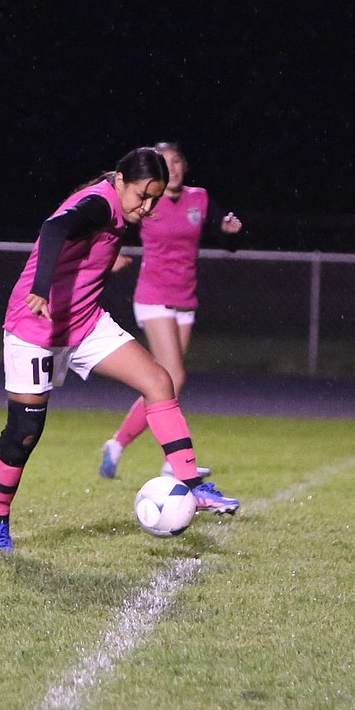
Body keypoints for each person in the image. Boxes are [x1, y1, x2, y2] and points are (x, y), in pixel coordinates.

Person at [0, 147, 239, 554]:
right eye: (142, 195)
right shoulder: (100, 204)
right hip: (37, 326)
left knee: (160, 381)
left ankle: (194, 486)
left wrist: (106, 256)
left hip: (85, 323)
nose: (148, 205)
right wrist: (39, 287)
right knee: (25, 433)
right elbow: (54, 229)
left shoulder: (120, 206)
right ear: (120, 181)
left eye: (154, 197)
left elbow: (84, 244)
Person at [99, 141, 243, 480]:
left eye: (177, 160)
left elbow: (226, 239)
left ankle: (117, 444)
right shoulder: (149, 197)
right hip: (153, 295)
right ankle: (173, 460)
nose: (173, 167)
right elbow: (114, 221)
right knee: (173, 377)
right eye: (165, 162)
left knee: (164, 383)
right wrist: (108, 255)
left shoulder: (200, 198)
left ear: (185, 165)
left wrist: (229, 233)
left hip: (185, 298)